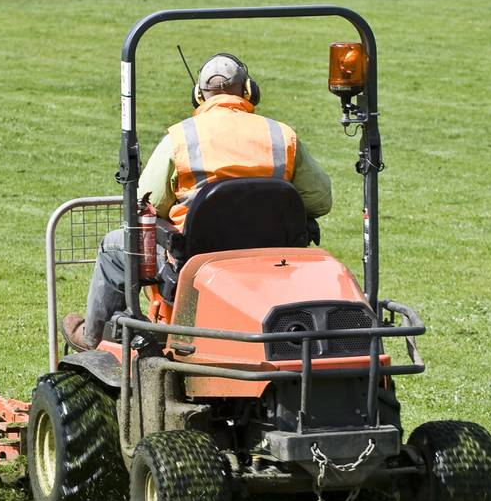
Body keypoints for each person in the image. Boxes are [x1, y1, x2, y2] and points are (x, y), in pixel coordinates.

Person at [63, 52, 333, 351]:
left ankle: (94, 338)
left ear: (199, 96)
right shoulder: (282, 135)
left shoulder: (180, 138)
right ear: (248, 91)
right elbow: (320, 200)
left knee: (113, 246)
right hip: (272, 261)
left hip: (196, 261)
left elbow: (143, 202)